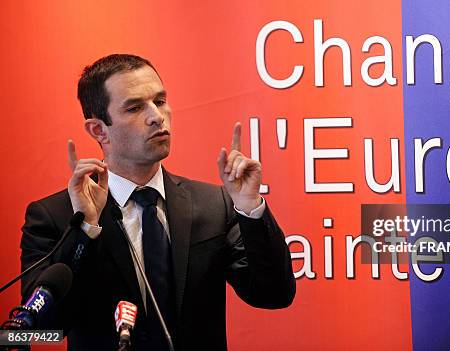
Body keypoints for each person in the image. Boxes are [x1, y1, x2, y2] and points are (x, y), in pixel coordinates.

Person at [19, 54, 296, 351]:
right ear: (99, 130)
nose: (156, 116)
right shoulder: (56, 216)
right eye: (135, 107)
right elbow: (44, 329)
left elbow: (274, 294)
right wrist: (85, 229)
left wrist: (249, 207)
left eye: (160, 101)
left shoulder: (214, 205)